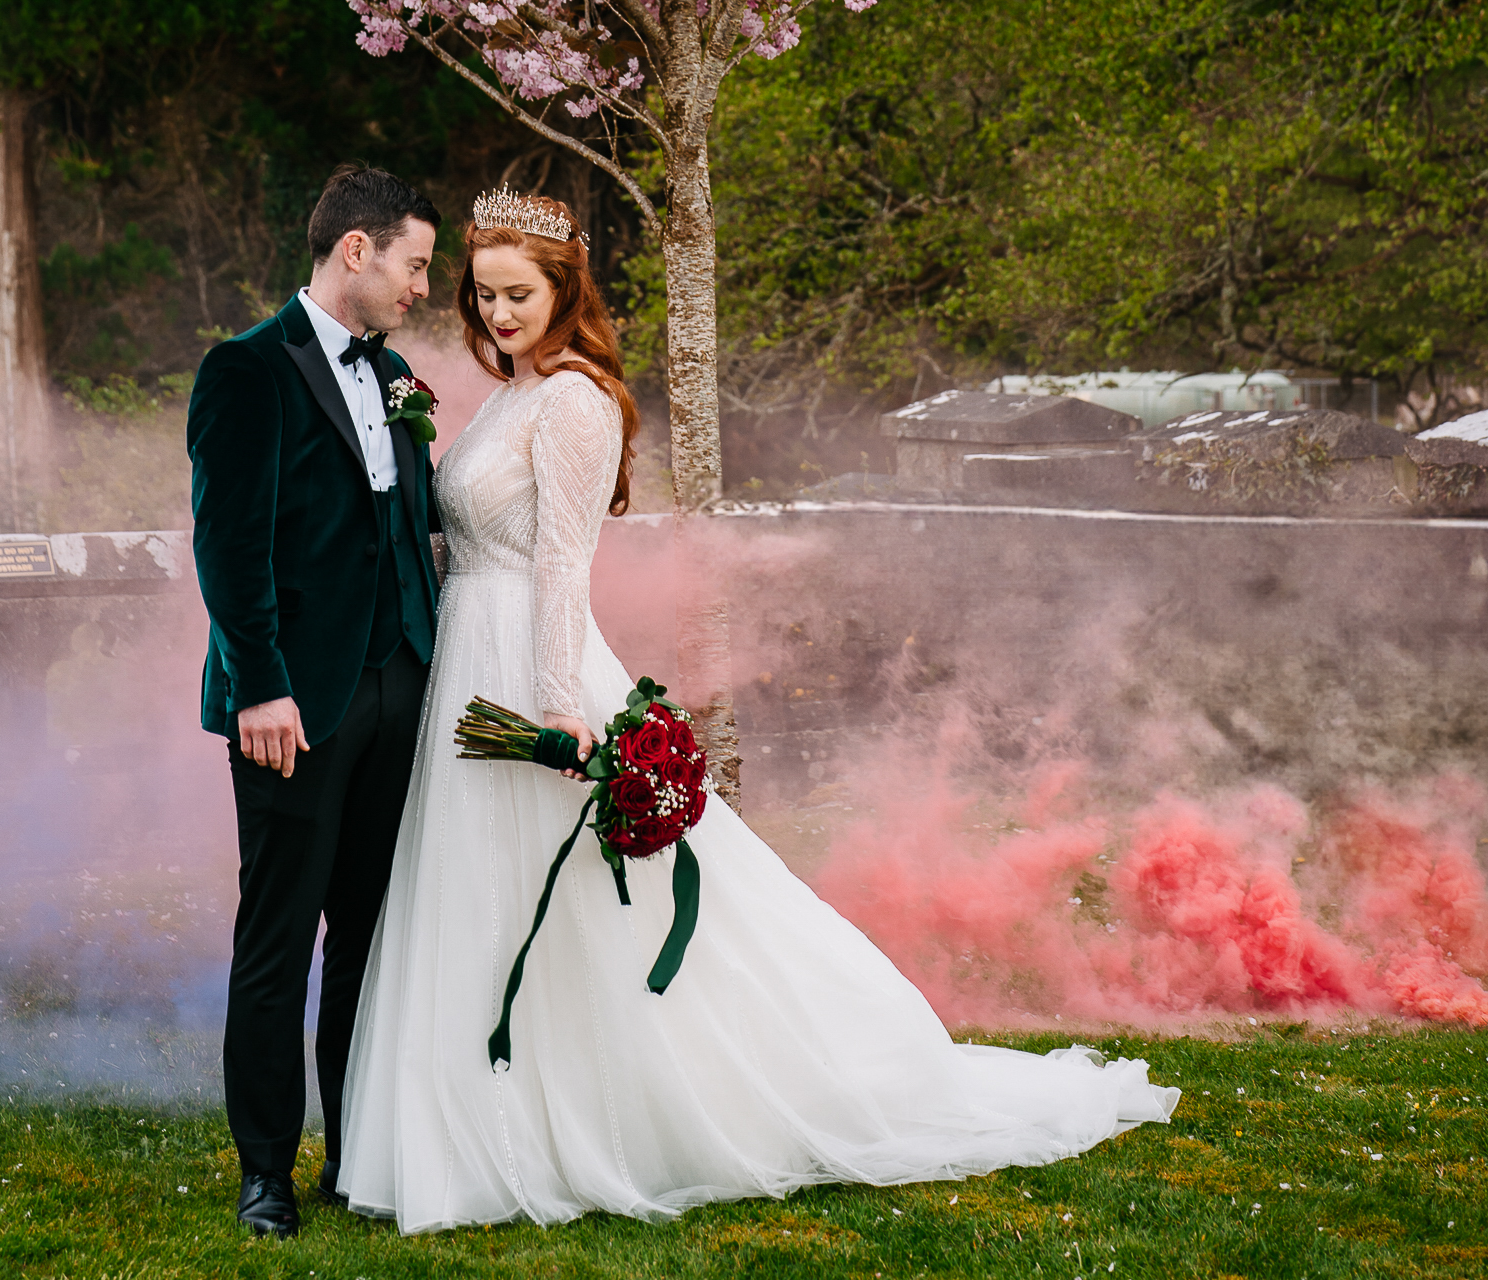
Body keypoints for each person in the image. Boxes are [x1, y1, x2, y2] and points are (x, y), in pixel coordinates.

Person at [334, 186, 1180, 1233]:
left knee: (577, 907)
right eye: (486, 293)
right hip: (467, 658)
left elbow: (562, 568)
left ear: (566, 294)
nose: (500, 312)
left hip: (526, 665)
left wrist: (560, 712)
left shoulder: (576, 402)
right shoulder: (508, 396)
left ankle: (620, 1113)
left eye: (522, 294)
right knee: (481, 896)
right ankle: (480, 1126)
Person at [186, 163, 442, 1238]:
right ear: (357, 251)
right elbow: (229, 546)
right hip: (291, 706)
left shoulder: (395, 375)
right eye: (415, 264)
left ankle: (353, 1152)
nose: (423, 288)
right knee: (279, 937)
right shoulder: (247, 369)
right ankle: (265, 1172)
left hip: (400, 688)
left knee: (370, 936)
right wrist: (263, 687)